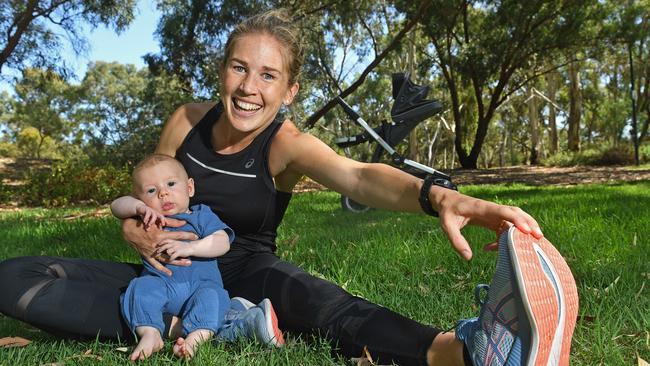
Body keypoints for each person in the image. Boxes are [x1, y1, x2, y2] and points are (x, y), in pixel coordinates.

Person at [0, 9, 578, 366]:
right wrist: (136, 232)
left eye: (268, 75)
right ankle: (206, 325)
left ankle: (463, 352)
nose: (249, 88)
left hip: (248, 269)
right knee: (16, 278)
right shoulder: (184, 121)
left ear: (290, 90)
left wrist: (441, 197)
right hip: (168, 272)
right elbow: (146, 193)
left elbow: (357, 176)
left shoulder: (284, 144)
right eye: (238, 68)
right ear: (222, 70)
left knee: (326, 306)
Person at [110, 154, 284, 360]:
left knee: (214, 297)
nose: (163, 193)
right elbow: (116, 206)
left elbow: (222, 241)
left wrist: (191, 247)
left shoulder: (201, 215)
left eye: (171, 184)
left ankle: (195, 338)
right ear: (141, 199)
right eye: (151, 190)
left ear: (190, 188)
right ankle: (150, 333)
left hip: (199, 287)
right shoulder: (148, 218)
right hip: (161, 285)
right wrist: (138, 208)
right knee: (140, 288)